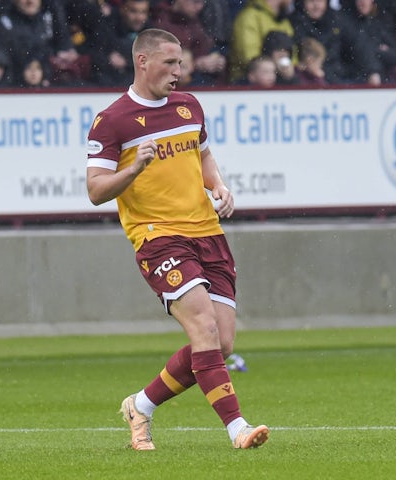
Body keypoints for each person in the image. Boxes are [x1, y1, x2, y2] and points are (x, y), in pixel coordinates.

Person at [85, 28, 269, 451]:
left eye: (181, 63)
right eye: (170, 63)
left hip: (207, 231)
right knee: (203, 327)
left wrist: (218, 186)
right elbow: (96, 191)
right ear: (143, 62)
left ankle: (141, 406)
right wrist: (133, 170)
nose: (178, 72)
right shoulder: (113, 120)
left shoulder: (189, 105)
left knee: (219, 344)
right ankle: (237, 428)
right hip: (158, 238)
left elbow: (202, 154)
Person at [152, 0, 228, 86]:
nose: (200, 7)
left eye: (202, 2)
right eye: (195, 1)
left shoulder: (195, 20)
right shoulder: (160, 22)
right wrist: (196, 64)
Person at [229, 0, 294, 83]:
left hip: (278, 81)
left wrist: (289, 70)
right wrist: (274, 68)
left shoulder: (284, 21)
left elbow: (293, 54)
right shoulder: (249, 17)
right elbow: (249, 58)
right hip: (248, 87)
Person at [92, 0, 153, 86]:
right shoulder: (107, 26)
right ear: (122, 9)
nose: (139, 18)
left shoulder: (152, 32)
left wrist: (128, 63)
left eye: (143, 12)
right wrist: (108, 59)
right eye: (133, 11)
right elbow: (94, 53)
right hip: (107, 86)